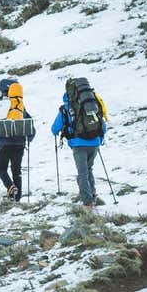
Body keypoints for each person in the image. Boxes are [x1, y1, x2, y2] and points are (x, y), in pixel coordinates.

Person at [51, 77, 108, 208]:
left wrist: (58, 132)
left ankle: (87, 202)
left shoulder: (67, 106)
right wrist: (99, 139)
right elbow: (103, 126)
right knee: (88, 169)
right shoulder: (93, 102)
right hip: (95, 142)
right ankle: (92, 193)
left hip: (79, 144)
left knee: (82, 173)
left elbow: (55, 129)